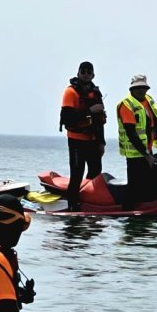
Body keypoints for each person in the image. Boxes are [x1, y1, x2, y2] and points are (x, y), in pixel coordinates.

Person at [116, 74, 157, 210]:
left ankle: (152, 207)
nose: (141, 91)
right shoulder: (127, 104)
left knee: (150, 182)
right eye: (137, 88)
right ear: (131, 89)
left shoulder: (149, 101)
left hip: (147, 152)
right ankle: (127, 214)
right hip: (135, 155)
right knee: (134, 188)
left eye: (143, 88)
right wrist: (146, 155)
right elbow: (131, 133)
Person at [59, 61, 107, 211]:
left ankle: (90, 201)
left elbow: (100, 121)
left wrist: (102, 143)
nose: (86, 75)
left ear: (93, 75)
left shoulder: (96, 92)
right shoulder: (71, 92)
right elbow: (67, 118)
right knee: (77, 173)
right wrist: (90, 110)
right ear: (78, 73)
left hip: (93, 140)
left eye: (89, 72)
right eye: (83, 72)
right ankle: (72, 205)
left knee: (95, 173)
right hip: (76, 140)